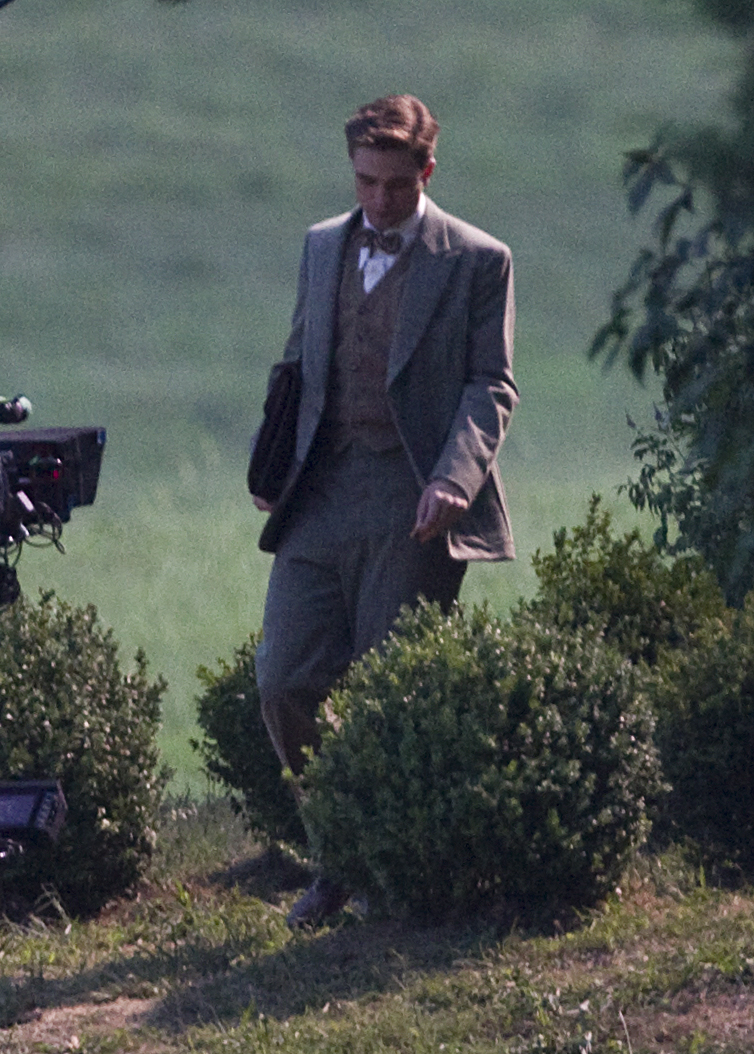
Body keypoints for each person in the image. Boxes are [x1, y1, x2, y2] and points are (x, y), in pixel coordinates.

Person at [250, 94, 518, 928]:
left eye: (396, 185)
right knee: (285, 679)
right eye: (365, 182)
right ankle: (338, 848)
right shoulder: (321, 245)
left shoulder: (476, 259)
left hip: (413, 499)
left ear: (427, 172)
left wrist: (455, 478)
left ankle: (387, 874)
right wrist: (270, 461)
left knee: (384, 690)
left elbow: (492, 383)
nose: (378, 199)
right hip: (322, 492)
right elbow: (297, 362)